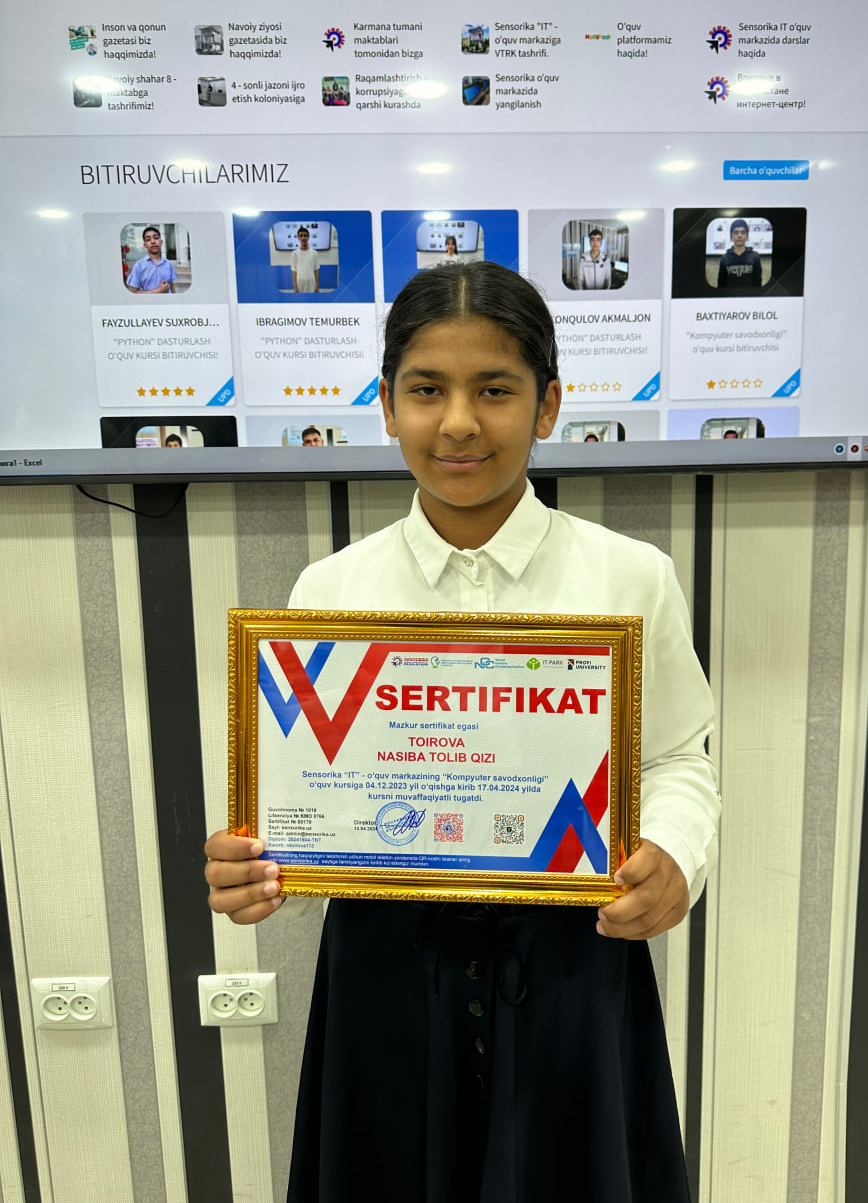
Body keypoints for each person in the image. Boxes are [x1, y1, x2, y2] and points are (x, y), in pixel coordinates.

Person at [204, 262, 719, 1203]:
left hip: (572, 964)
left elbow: (679, 756)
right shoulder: (332, 591)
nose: (457, 423)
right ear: (387, 404)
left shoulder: (629, 575)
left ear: (548, 404)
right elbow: (309, 792)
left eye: (495, 390)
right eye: (426, 390)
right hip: (383, 975)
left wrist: (675, 856)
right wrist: (261, 863)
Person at [126, 226, 177, 294]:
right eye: (148, 239)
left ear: (161, 242)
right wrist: (159, 291)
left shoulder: (168, 264)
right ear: (145, 245)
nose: (153, 242)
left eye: (156, 238)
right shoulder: (139, 266)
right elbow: (134, 292)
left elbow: (171, 285)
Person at [716, 218, 763, 290]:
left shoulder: (755, 257)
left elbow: (757, 283)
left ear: (747, 237)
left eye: (743, 232)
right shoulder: (724, 258)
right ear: (731, 237)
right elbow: (721, 284)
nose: (739, 235)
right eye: (736, 232)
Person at [291, 227, 320, 294]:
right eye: (301, 236)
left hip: (311, 283)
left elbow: (316, 270)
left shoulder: (314, 253)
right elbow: (294, 271)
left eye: (305, 235)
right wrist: (295, 287)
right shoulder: (294, 253)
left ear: (308, 237)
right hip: (300, 283)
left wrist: (317, 286)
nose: (303, 238)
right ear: (298, 238)